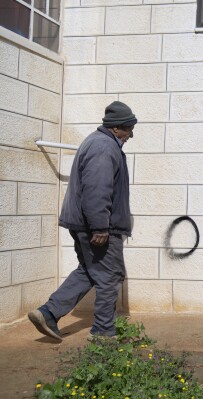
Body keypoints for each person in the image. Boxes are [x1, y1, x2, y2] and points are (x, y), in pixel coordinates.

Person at [28, 101, 136, 341]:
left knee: (90, 270)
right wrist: (100, 226)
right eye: (128, 128)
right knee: (111, 275)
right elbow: (97, 190)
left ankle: (48, 313)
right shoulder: (103, 147)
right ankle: (103, 332)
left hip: (84, 223)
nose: (131, 134)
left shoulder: (99, 143)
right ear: (116, 128)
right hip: (96, 226)